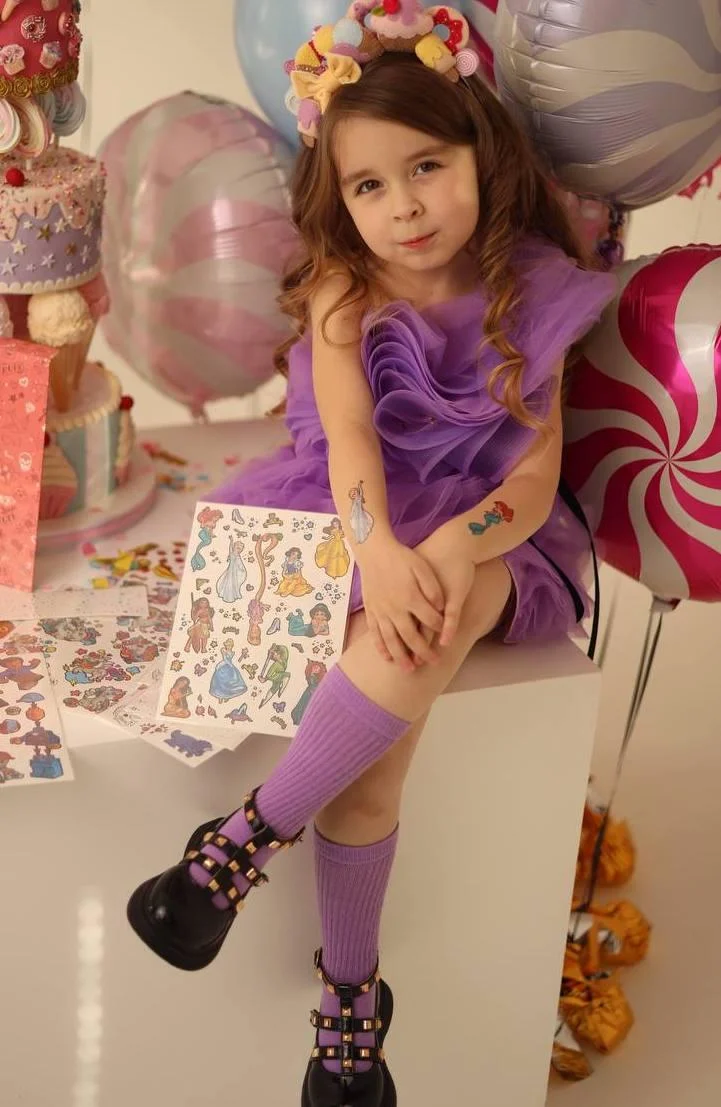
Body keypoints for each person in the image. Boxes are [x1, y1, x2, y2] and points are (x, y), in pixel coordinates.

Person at [127, 5, 617, 1104]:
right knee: (375, 769)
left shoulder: (532, 289)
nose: (404, 207)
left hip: (489, 536)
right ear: (340, 198)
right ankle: (350, 1003)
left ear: (479, 154)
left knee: (450, 597)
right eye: (369, 185)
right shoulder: (346, 290)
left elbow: (529, 483)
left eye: (427, 167)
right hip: (352, 514)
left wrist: (440, 546)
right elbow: (350, 438)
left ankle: (241, 843)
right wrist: (381, 551)